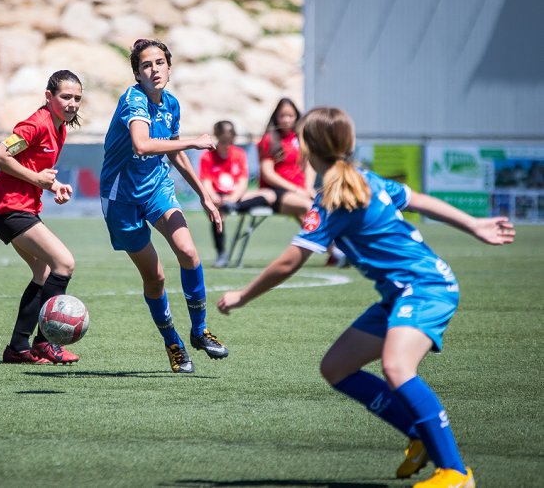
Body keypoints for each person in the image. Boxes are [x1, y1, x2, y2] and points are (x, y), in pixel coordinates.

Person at [218, 107, 515, 488]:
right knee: (337, 367)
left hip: (426, 288)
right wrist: (473, 224)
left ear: (308, 148)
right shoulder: (361, 181)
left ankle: (455, 473)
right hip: (400, 293)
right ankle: (419, 434)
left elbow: (289, 262)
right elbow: (419, 200)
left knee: (397, 367)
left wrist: (242, 295)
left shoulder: (331, 198)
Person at [100, 38, 228, 374]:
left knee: (188, 253)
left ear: (169, 68)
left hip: (157, 188)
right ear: (137, 73)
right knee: (155, 278)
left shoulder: (170, 103)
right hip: (121, 200)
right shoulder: (133, 100)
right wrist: (194, 140)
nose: (154, 69)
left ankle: (199, 331)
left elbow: (173, 150)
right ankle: (173, 342)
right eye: (146, 65)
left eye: (159, 63)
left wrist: (204, 194)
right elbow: (142, 144)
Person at [0, 70, 82, 365]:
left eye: (78, 98)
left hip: (21, 208)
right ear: (49, 96)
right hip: (8, 208)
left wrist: (52, 185)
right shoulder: (35, 124)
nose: (72, 103)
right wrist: (40, 181)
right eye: (66, 96)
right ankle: (45, 342)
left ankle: (17, 348)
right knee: (64, 263)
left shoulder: (60, 127)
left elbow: (34, 172)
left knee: (43, 274)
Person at [257, 98, 347, 266]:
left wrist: (307, 187)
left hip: (300, 190)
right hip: (276, 192)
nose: (286, 120)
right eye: (282, 116)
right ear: (275, 117)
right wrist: (297, 190)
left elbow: (309, 165)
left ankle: (339, 250)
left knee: (326, 206)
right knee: (308, 207)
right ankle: (336, 251)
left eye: (290, 116)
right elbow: (268, 174)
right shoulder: (269, 139)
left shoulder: (301, 138)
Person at [199, 120, 275, 268]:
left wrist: (232, 199)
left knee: (269, 195)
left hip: (235, 197)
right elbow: (206, 182)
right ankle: (221, 253)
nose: (227, 144)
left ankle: (232, 206)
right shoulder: (208, 156)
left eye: (230, 140)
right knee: (217, 213)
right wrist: (214, 196)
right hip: (217, 197)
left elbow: (242, 181)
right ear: (217, 137)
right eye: (224, 140)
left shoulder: (239, 154)